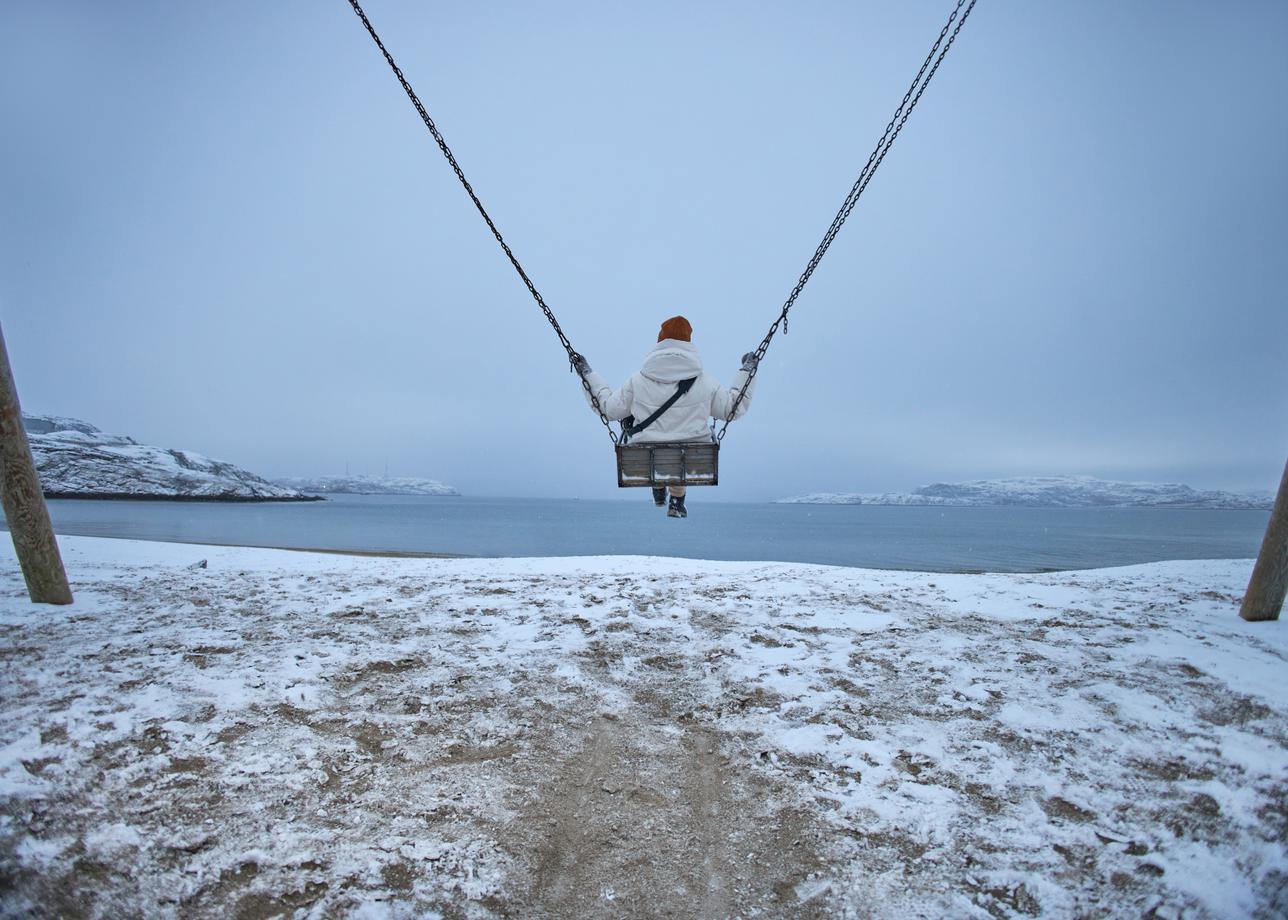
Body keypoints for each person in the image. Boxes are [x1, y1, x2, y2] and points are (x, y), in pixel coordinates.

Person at [572, 315, 757, 518]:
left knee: (659, 452)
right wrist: (746, 372)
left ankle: (658, 484)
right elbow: (733, 409)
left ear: (660, 342)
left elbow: (608, 408)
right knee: (680, 454)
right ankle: (676, 501)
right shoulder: (706, 382)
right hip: (694, 453)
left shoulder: (637, 380)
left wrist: (587, 374)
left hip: (647, 451)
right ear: (688, 343)